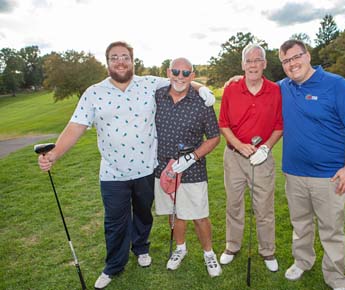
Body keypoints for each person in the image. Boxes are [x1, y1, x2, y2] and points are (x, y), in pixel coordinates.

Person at [37, 41, 215, 289]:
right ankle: (113, 265)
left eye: (125, 57)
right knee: (115, 222)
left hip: (146, 169)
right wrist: (54, 154)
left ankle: (141, 249)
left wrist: (201, 87)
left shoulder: (149, 84)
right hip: (112, 172)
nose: (120, 61)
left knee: (143, 215)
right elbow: (76, 126)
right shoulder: (93, 92)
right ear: (107, 62)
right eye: (114, 57)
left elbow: (180, 79)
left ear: (133, 61)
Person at [278, 39, 345, 290]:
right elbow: (256, 87)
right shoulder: (283, 87)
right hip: (294, 174)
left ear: (308, 56)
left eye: (296, 57)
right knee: (300, 225)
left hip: (329, 176)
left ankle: (336, 277)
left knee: (331, 230)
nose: (292, 64)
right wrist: (231, 81)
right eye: (286, 61)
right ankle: (303, 261)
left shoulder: (336, 85)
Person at [153, 57, 222, 277]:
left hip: (192, 169)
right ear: (168, 72)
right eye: (176, 71)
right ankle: (180, 248)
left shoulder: (202, 102)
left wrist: (192, 157)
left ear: (192, 76)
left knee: (200, 215)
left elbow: (214, 137)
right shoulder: (157, 96)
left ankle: (209, 253)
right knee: (174, 213)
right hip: (164, 168)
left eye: (185, 73)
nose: (179, 77)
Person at [218, 43, 283, 272]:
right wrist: (239, 145)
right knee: (234, 204)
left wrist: (265, 148)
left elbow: (278, 125)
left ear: (264, 64)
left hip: (262, 159)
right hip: (234, 156)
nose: (253, 64)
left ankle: (268, 251)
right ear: (242, 64)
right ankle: (232, 246)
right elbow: (223, 124)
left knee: (264, 207)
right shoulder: (231, 89)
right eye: (249, 60)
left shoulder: (275, 90)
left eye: (258, 60)